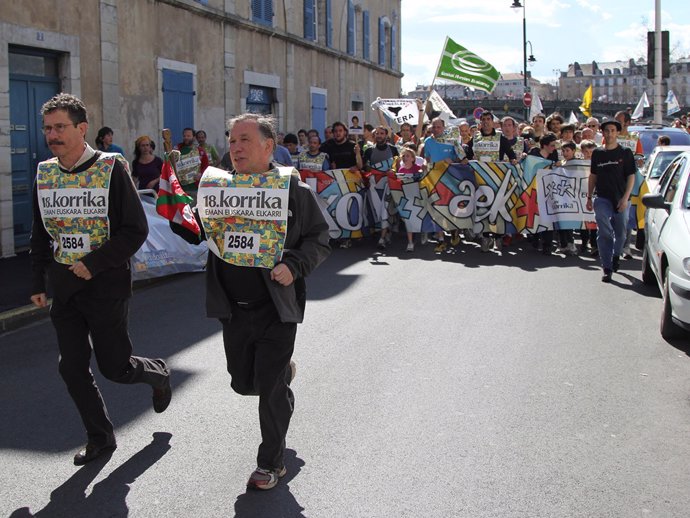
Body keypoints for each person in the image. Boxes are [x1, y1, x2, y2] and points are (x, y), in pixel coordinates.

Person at [170, 113, 330, 490]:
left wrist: (293, 265)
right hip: (233, 308)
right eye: (232, 140)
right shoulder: (218, 188)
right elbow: (200, 234)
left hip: (276, 309)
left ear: (268, 146)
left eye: (244, 139)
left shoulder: (292, 189)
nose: (235, 147)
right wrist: (180, 209)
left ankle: (271, 463)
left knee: (269, 390)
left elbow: (319, 240)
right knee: (245, 383)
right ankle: (282, 376)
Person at [29, 93, 171, 466]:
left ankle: (156, 375)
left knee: (115, 368)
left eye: (60, 127)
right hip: (64, 285)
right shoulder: (45, 173)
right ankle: (100, 438)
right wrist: (37, 282)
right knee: (71, 366)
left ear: (81, 128)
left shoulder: (110, 169)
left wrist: (94, 263)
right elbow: (40, 232)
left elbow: (134, 229)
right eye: (48, 128)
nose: (53, 135)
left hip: (105, 283)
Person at [586, 119, 636, 283]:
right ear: (602, 133)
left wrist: (625, 198)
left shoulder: (626, 152)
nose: (609, 134)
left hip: (621, 198)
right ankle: (606, 267)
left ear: (618, 133)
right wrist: (589, 196)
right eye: (606, 131)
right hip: (602, 198)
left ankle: (616, 255)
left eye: (613, 130)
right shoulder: (598, 154)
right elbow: (593, 176)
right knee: (604, 232)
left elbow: (631, 176)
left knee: (620, 233)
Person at [363, 126, 400, 250]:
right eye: (377, 133)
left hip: (389, 185)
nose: (379, 135)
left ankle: (382, 238)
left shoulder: (394, 149)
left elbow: (397, 166)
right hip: (374, 185)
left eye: (381, 133)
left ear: (386, 135)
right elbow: (365, 167)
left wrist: (391, 172)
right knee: (377, 211)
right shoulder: (368, 151)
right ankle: (384, 232)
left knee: (386, 209)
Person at [528, 132, 560, 255]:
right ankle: (535, 238)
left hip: (549, 190)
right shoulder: (533, 153)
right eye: (552, 145)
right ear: (544, 145)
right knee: (535, 215)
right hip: (534, 190)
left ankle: (547, 245)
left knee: (548, 218)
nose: (554, 148)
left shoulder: (554, 155)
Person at [396, 146, 423, 252]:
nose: (405, 158)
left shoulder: (417, 168)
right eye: (403, 156)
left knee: (417, 219)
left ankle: (423, 233)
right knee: (408, 220)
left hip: (417, 198)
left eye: (408, 156)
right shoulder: (401, 169)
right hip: (406, 198)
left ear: (413, 158)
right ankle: (410, 242)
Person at [176, 127, 209, 198]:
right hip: (181, 189)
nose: (186, 138)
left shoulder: (200, 151)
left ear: (193, 137)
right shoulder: (177, 150)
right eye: (184, 136)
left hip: (195, 188)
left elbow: (206, 167)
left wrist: (201, 174)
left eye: (188, 136)